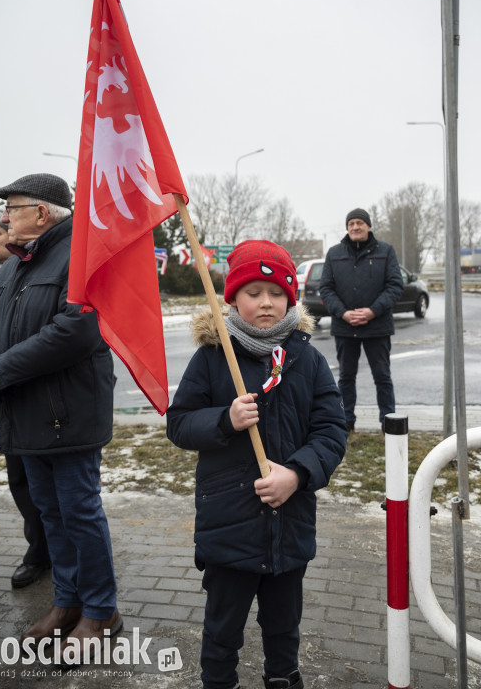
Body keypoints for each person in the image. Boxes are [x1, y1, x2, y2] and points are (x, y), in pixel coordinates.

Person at [167, 240, 347, 689]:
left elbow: (331, 431)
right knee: (222, 628)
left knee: (284, 626)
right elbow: (180, 423)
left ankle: (282, 678)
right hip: (229, 525)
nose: (266, 302)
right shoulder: (213, 356)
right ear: (232, 298)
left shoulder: (306, 358)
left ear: (291, 297)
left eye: (277, 292)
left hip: (290, 525)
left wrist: (299, 473)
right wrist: (223, 420)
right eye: (253, 292)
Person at [0, 174, 121, 663]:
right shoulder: (17, 263)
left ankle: (102, 611)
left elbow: (75, 330)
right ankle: (67, 602)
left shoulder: (81, 259)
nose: (3, 218)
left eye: (12, 208)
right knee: (49, 514)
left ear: (42, 212)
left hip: (66, 414)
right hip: (24, 414)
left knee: (78, 512)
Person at [0, 206, 51, 587]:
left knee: (49, 487)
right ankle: (39, 548)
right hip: (2, 402)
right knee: (19, 479)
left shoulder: (36, 273)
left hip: (35, 400)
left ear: (15, 234)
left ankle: (57, 557)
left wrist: (1, 370)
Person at [319, 208, 404, 433]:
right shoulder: (334, 253)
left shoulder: (386, 251)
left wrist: (373, 311)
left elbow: (395, 285)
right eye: (351, 223)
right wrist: (343, 313)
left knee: (383, 377)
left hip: (378, 326)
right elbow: (326, 288)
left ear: (368, 226)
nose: (355, 227)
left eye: (359, 223)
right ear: (347, 228)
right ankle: (346, 422)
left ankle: (389, 422)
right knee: (346, 378)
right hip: (345, 327)